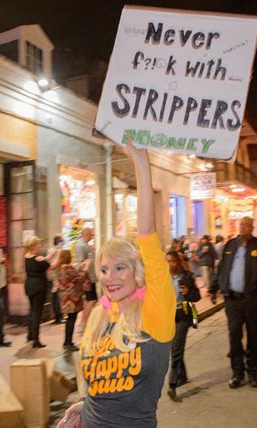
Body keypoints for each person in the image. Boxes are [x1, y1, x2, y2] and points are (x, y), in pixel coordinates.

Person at [58, 139, 176, 428]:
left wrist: (140, 160)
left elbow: (147, 233)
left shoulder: (155, 315)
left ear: (137, 272)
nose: (110, 277)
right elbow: (104, 384)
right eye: (104, 269)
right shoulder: (100, 315)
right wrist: (85, 405)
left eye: (120, 267)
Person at [209, 216, 257, 388]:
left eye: (247, 225)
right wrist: (214, 288)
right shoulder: (230, 245)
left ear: (252, 227)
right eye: (241, 225)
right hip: (233, 300)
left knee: (254, 336)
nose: (243, 228)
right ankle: (237, 373)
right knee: (234, 334)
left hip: (254, 300)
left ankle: (253, 373)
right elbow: (222, 269)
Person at [166, 250, 201, 400]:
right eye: (167, 261)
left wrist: (188, 293)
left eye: (172, 261)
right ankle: (183, 375)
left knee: (176, 349)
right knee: (176, 348)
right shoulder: (163, 278)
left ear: (178, 262)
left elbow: (197, 296)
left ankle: (172, 386)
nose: (170, 265)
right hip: (169, 317)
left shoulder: (186, 277)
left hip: (184, 317)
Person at [24, 236, 58, 348]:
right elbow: (51, 266)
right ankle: (36, 341)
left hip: (29, 286)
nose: (40, 246)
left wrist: (51, 255)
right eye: (38, 245)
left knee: (32, 311)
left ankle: (30, 335)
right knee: (37, 314)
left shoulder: (27, 258)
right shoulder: (38, 259)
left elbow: (42, 261)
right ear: (33, 246)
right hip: (39, 287)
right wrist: (60, 257)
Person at [56, 250, 90, 352]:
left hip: (64, 297)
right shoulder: (68, 268)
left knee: (69, 319)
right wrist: (85, 267)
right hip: (71, 298)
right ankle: (68, 343)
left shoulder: (59, 268)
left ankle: (67, 342)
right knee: (71, 319)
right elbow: (81, 276)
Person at [75, 227, 97, 333]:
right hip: (87, 278)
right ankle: (83, 324)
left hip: (90, 277)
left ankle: (84, 323)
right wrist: (85, 279)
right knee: (90, 300)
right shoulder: (81, 246)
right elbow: (81, 264)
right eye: (90, 233)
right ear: (85, 233)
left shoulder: (86, 245)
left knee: (90, 300)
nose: (91, 235)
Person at [47, 234, 64, 324]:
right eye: (61, 242)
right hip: (54, 276)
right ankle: (58, 317)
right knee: (56, 297)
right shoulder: (55, 251)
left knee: (56, 296)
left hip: (53, 276)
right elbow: (53, 265)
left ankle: (59, 316)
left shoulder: (51, 250)